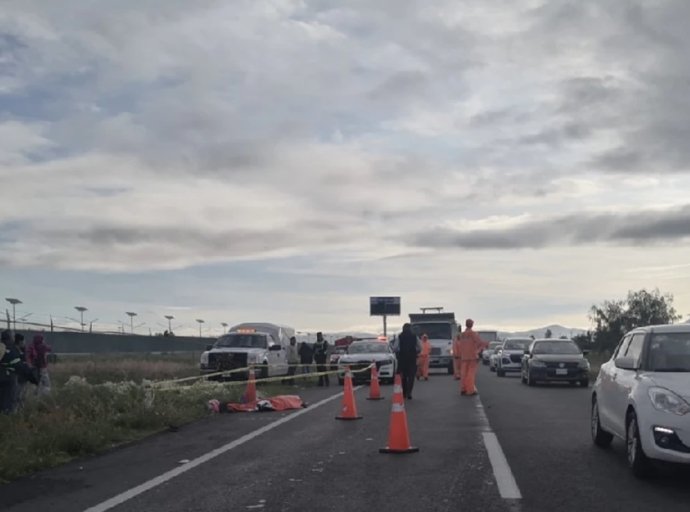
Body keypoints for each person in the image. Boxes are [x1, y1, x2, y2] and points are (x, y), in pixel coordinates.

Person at [457, 319, 489, 396]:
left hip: (464, 356)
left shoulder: (462, 335)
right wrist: (486, 344)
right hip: (472, 356)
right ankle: (470, 390)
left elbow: (459, 345)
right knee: (470, 374)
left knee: (464, 373)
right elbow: (479, 342)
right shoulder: (473, 334)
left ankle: (463, 389)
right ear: (471, 325)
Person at [394, 324, 421, 399]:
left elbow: (395, 347)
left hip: (402, 359)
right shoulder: (414, 337)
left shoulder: (400, 336)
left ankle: (404, 393)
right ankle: (409, 392)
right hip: (412, 358)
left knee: (403, 376)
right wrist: (416, 351)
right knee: (411, 376)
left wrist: (398, 352)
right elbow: (420, 347)